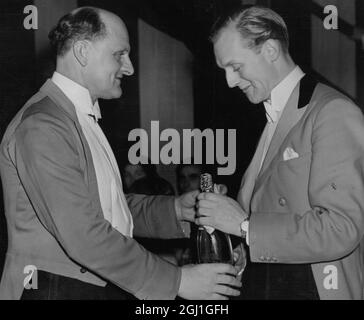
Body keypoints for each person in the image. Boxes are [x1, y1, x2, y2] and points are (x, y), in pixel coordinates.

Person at [0, 7, 242, 300]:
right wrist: (177, 281)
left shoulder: (78, 117)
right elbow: (84, 236)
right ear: (82, 52)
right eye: (119, 54)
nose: (129, 68)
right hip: (55, 289)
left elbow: (108, 210)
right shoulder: (44, 125)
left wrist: (178, 210)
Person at [196, 5, 364, 299]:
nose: (230, 81)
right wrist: (248, 253)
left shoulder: (331, 111)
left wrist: (245, 225)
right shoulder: (273, 116)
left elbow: (342, 228)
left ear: (271, 50)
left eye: (236, 67)